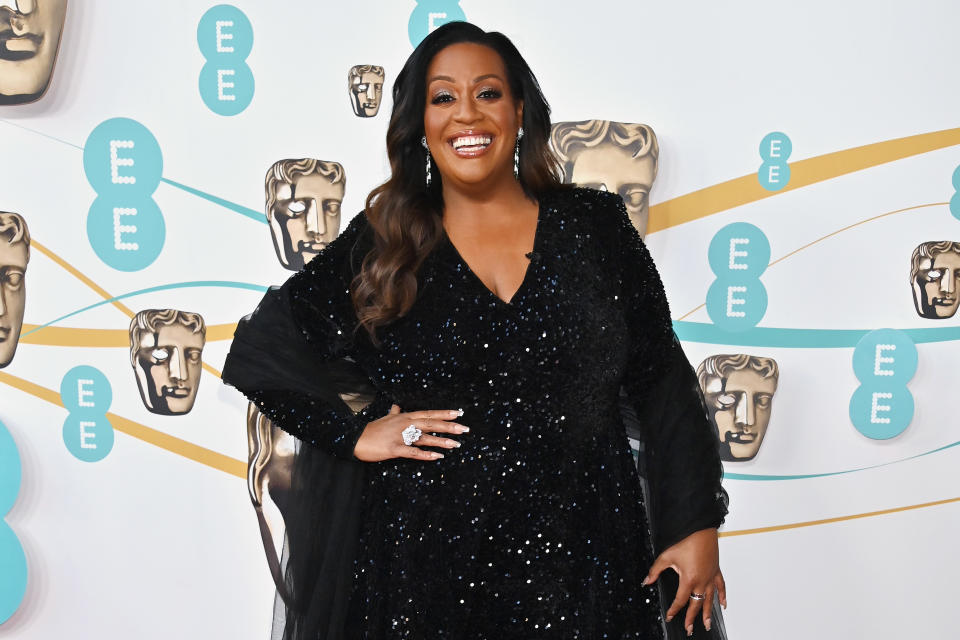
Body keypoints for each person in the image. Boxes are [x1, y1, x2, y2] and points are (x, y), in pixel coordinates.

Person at [222, 21, 728, 640]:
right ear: (419, 123)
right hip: (424, 571)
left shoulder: (595, 226)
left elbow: (662, 381)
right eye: (443, 97)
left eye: (487, 93)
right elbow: (262, 351)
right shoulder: (385, 242)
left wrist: (697, 521)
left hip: (590, 556)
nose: (467, 114)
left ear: (519, 111)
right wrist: (353, 435)